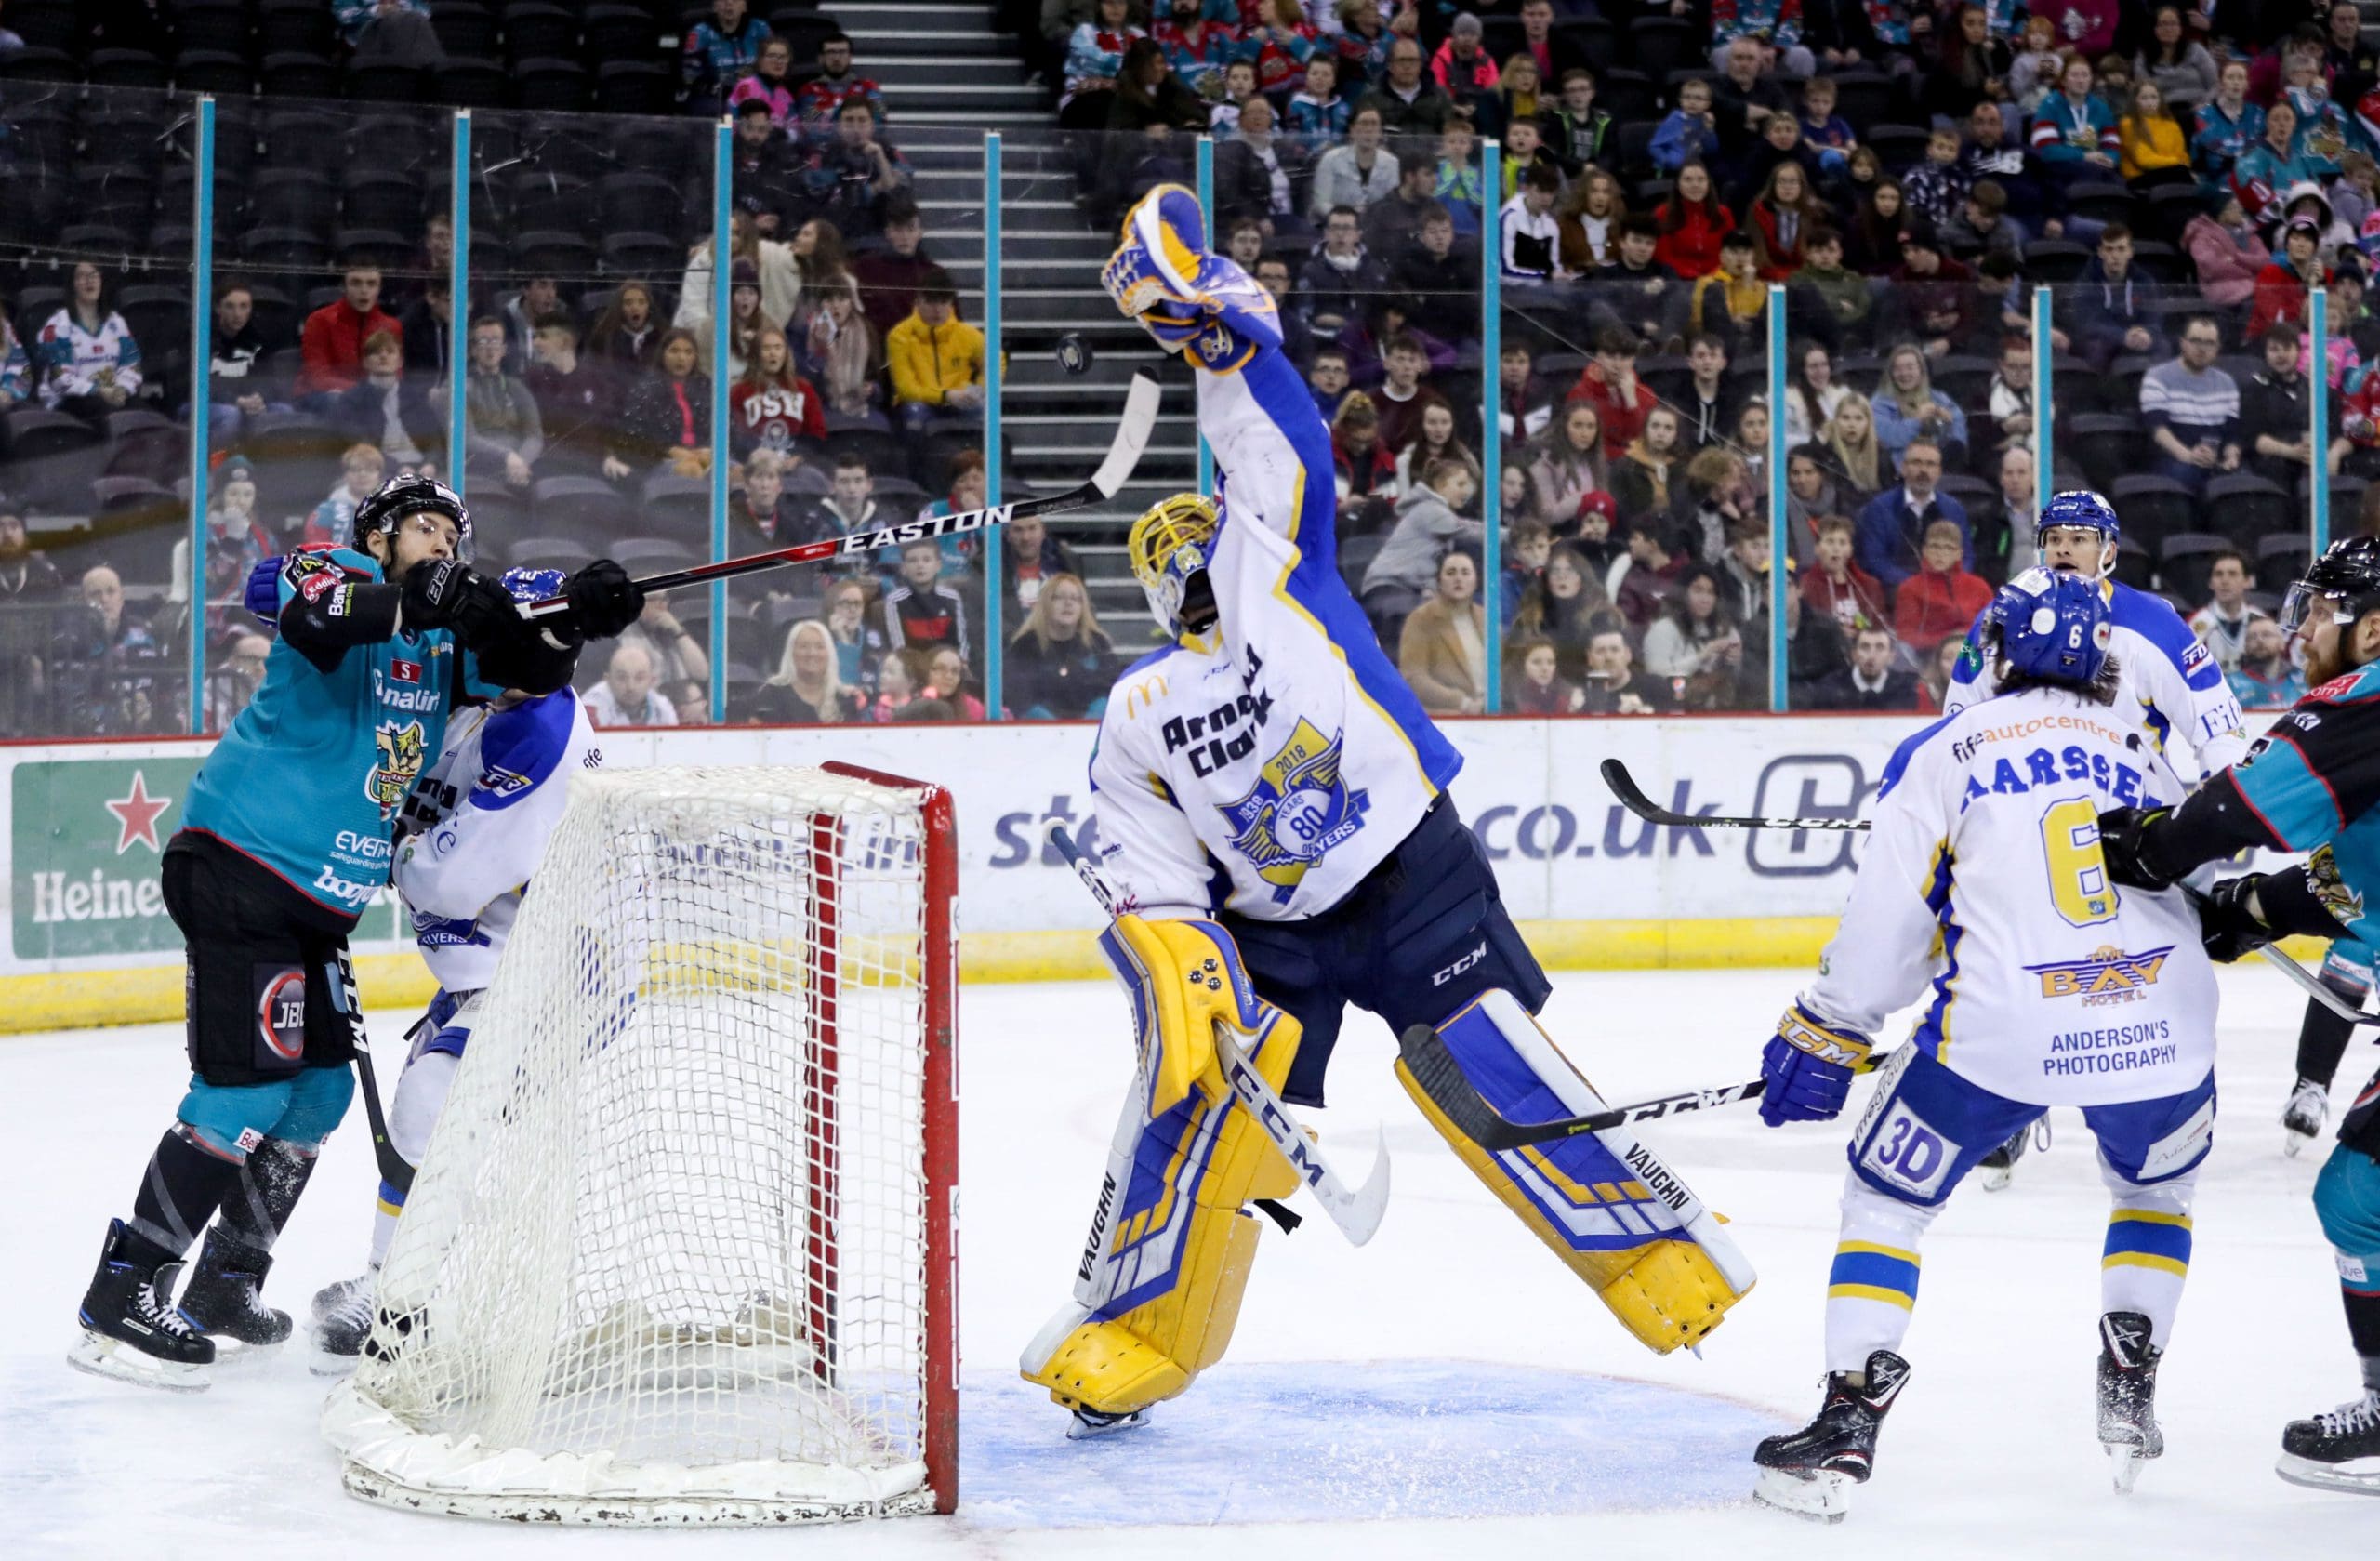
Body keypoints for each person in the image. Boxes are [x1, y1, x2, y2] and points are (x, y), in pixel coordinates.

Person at [1032, 184, 1754, 1439]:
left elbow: (1273, 445)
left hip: (1408, 872)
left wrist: (1214, 334)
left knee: (1488, 1064)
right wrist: (1183, 966)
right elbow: (1150, 879)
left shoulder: (1277, 570)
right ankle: (1133, 1321)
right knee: (1199, 1100)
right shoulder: (1137, 709)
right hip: (1280, 933)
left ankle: (1663, 1250)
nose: (1184, 558)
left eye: (1192, 535)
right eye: (1158, 556)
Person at [67, 481, 640, 1387]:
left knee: (318, 1092)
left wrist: (581, 612)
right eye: (423, 526)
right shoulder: (334, 569)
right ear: (378, 533)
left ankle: (226, 1280)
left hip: (316, 904)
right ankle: (123, 1292)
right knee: (244, 1089)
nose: (440, 541)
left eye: (454, 533)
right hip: (244, 862)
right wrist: (428, 592)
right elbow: (303, 602)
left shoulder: (445, 646)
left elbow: (524, 658)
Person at [1752, 568, 2215, 1520]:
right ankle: (2131, 1369)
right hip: (2161, 1029)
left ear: (1997, 649)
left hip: (2000, 1036)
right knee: (2154, 1189)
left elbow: (1892, 927)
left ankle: (1847, 1418)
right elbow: (2212, 871)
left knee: (1885, 1199)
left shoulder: (1945, 748)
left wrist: (1834, 1022)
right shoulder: (2143, 747)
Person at [2091, 535, 2380, 1492]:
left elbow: (2244, 806)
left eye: (2324, 610)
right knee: (2359, 1190)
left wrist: (2151, 846)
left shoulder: (2367, 697)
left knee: (2360, 1195)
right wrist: (2260, 907)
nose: (2303, 630)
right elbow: (2362, 874)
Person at [306, 575, 598, 1363]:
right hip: (499, 972)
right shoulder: (491, 710)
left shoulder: (538, 737)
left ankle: (397, 1303)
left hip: (550, 979)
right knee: (432, 1117)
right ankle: (398, 1288)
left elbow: (449, 879)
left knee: (428, 1106)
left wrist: (389, 854)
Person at [2141, 314, 2241, 494]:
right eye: (2195, 341)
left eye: (2209, 343)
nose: (2202, 349)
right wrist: (2188, 456)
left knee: (2242, 482)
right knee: (2189, 476)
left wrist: (2231, 457)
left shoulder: (2228, 383)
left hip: (2214, 459)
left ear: (2217, 348)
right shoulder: (2157, 376)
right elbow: (2158, 429)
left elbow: (2232, 434)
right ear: (2182, 343)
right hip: (2174, 458)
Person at [1853, 436, 1967, 591]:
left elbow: (1966, 556)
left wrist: (1947, 582)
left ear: (1939, 471)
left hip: (1946, 589)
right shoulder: (1879, 508)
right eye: (1916, 463)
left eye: (1930, 464)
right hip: (1896, 591)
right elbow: (1875, 560)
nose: (1923, 470)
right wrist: (1918, 585)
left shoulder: (1954, 509)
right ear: (1903, 468)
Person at [35, 262, 142, 424]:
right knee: (109, 416)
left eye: (94, 275)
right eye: (82, 276)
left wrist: (122, 388)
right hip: (69, 403)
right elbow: (60, 379)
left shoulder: (116, 322)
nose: (89, 281)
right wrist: (98, 391)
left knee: (146, 416)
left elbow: (132, 364)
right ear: (72, 284)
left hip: (110, 398)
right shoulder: (57, 326)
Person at [1005, 573, 1113, 720]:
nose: (1068, 603)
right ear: (1045, 604)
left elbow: (1109, 690)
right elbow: (1017, 696)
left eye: (1075, 599)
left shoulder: (1098, 644)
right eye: (1059, 597)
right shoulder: (1024, 646)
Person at [612, 328, 713, 479]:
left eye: (688, 352)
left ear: (695, 357)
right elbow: (633, 438)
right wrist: (669, 450)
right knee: (691, 469)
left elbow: (729, 429)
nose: (681, 358)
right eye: (674, 351)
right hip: (661, 460)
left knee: (738, 473)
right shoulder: (646, 388)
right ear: (662, 355)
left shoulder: (707, 386)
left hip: (708, 456)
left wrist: (708, 450)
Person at [1396, 549, 1488, 715]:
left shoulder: (1486, 618)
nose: (1458, 579)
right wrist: (1463, 703)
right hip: (1447, 716)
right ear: (1439, 581)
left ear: (1476, 580)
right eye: (1451, 573)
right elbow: (1413, 677)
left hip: (1492, 714)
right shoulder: (1421, 619)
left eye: (1465, 573)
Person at [295, 261, 400, 404]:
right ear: (343, 288)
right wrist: (363, 393)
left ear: (379, 289)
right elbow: (317, 376)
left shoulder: (391, 326)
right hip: (322, 394)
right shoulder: (319, 320)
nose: (364, 290)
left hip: (372, 397)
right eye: (356, 283)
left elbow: (395, 374)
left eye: (371, 284)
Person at [458, 316, 543, 492]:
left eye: (495, 340)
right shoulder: (461, 388)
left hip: (519, 465)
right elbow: (467, 438)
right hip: (480, 464)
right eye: (483, 341)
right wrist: (508, 457)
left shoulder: (517, 388)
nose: (490, 347)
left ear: (504, 349)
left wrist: (521, 461)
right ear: (473, 350)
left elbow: (534, 435)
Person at [1892, 517, 1994, 654]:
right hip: (1928, 657)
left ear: (1959, 554)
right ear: (1925, 550)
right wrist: (1949, 640)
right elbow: (1906, 636)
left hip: (1973, 655)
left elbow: (1991, 629)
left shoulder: (1979, 587)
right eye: (1935, 546)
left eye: (1949, 548)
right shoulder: (1910, 587)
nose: (1940, 553)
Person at [881, 537, 969, 660]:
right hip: (913, 669)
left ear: (938, 566)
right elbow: (899, 648)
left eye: (926, 560)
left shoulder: (952, 598)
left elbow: (961, 644)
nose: (920, 565)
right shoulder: (895, 601)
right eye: (912, 560)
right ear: (903, 568)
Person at [2188, 549, 2268, 672]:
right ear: (2210, 583)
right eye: (2218, 574)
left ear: (2247, 581)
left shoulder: (2260, 619)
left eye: (2233, 574)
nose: (2225, 581)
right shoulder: (2197, 622)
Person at [1810, 623, 1919, 709]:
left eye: (1880, 648)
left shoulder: (1906, 688)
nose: (1872, 655)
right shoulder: (1830, 688)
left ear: (1891, 657)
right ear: (1854, 655)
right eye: (1865, 647)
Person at [1579, 625, 1674, 714]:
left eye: (1615, 650)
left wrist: (1645, 717)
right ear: (1589, 658)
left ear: (1628, 655)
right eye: (1600, 651)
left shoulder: (1656, 687)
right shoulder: (1582, 698)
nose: (1608, 657)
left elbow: (1676, 727)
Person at [583, 640, 678, 728]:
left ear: (652, 681)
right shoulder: (591, 707)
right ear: (607, 679)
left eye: (639, 678)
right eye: (622, 678)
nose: (630, 687)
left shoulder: (662, 707)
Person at [2227, 613, 2305, 709]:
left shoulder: (2304, 681)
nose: (2259, 640)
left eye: (2266, 634)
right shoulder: (2230, 685)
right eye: (2252, 637)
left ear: (2282, 643)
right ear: (2245, 646)